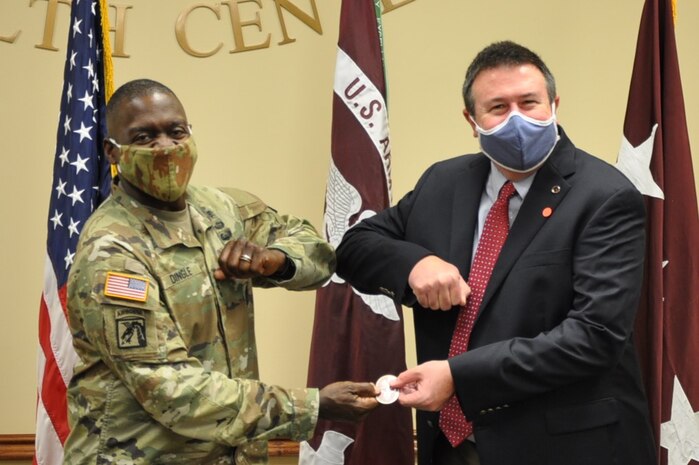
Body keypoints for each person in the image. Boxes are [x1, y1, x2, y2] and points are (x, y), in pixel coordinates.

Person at [336, 41, 656, 465]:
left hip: (565, 448)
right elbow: (354, 247)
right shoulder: (443, 182)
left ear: (555, 104)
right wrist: (415, 264)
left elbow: (594, 337)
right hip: (450, 448)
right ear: (472, 120)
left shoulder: (605, 196)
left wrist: (457, 376)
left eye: (529, 102)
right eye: (498, 108)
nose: (518, 120)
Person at [64, 78, 378, 465]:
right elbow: (172, 390)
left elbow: (317, 250)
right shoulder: (112, 254)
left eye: (176, 131)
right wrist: (313, 404)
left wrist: (274, 261)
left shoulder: (222, 209)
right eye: (145, 137)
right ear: (113, 152)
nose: (165, 147)